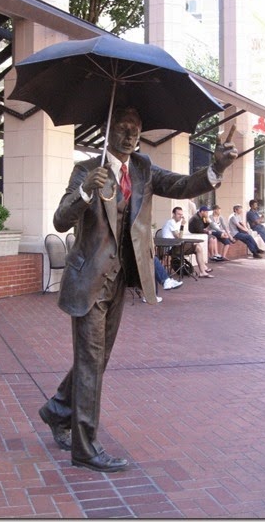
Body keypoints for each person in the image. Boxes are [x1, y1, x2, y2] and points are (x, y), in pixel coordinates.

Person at [38, 106, 237, 473]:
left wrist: (217, 168)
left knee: (96, 360)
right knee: (91, 362)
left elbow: (181, 184)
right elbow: (60, 219)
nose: (130, 135)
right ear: (107, 130)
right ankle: (84, 446)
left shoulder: (143, 168)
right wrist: (85, 192)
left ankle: (57, 409)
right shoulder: (86, 169)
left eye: (136, 129)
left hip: (120, 279)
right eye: (123, 127)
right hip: (87, 281)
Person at [162, 206, 214, 277]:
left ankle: (203, 269)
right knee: (198, 247)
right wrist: (182, 225)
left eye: (181, 214)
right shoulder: (171, 222)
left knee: (197, 246)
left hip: (174, 246)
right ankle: (202, 271)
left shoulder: (175, 223)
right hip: (172, 248)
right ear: (173, 214)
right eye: (178, 214)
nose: (180, 216)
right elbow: (179, 237)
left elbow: (179, 236)